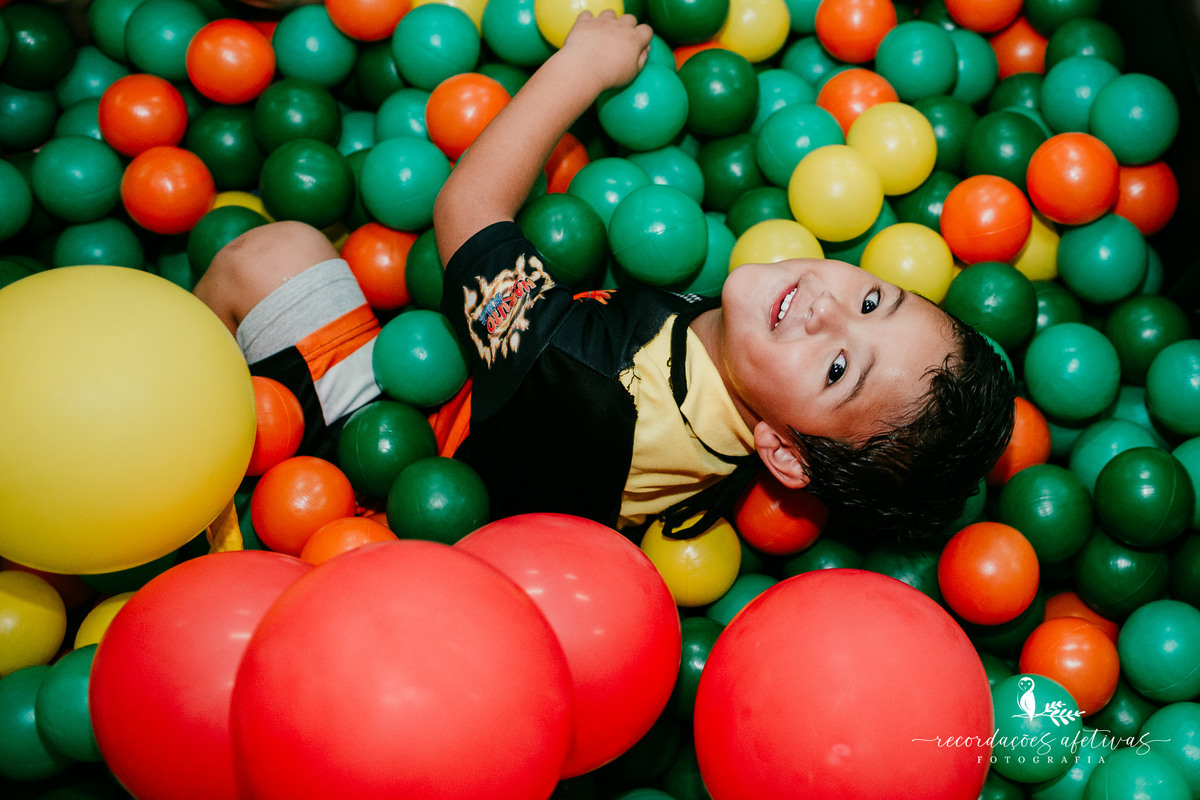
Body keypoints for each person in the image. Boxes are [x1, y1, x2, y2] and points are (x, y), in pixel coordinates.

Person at [196, 10, 1015, 544]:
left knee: (270, 252)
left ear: (784, 455)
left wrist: (583, 68)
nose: (829, 310)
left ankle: (196, 510)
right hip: (495, 417)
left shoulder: (587, 381)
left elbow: (465, 207)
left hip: (381, 475)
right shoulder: (752, 393)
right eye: (873, 298)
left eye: (840, 369)